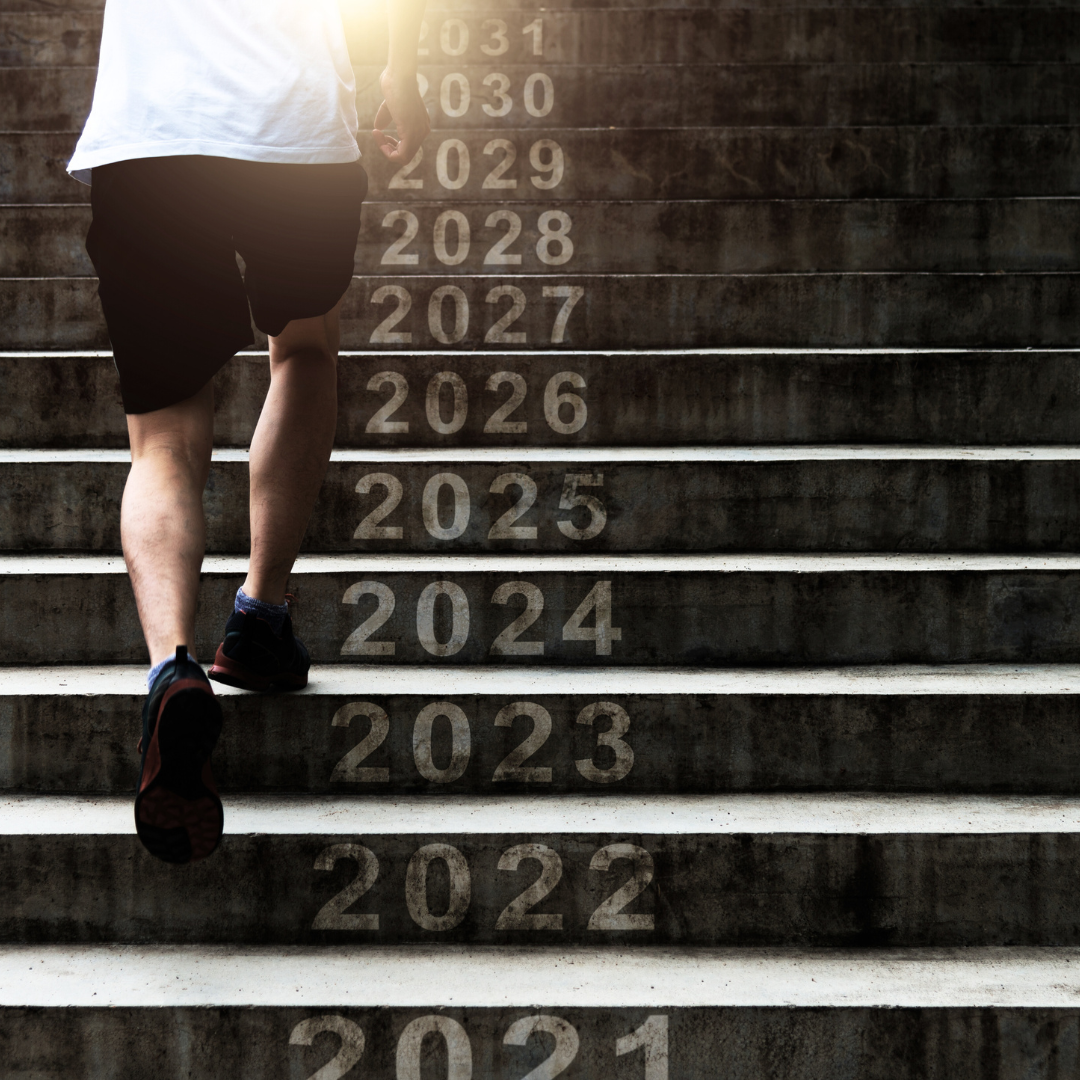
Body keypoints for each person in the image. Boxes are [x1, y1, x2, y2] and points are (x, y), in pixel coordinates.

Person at [67, 0, 430, 865]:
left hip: (149, 135)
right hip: (294, 131)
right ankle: (259, 616)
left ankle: (171, 665)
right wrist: (400, 75)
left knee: (163, 438)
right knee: (302, 349)